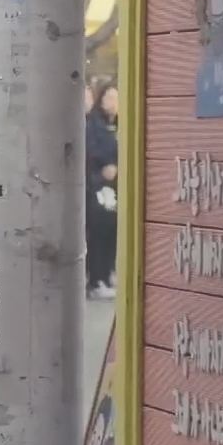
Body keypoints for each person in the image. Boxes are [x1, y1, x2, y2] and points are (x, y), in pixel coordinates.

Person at [86, 79, 121, 299]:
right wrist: (105, 169)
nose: (113, 103)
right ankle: (97, 279)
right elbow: (91, 153)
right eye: (109, 97)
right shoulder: (94, 125)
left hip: (114, 188)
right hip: (98, 186)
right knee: (99, 232)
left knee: (111, 231)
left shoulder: (118, 125)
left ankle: (107, 275)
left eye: (116, 98)